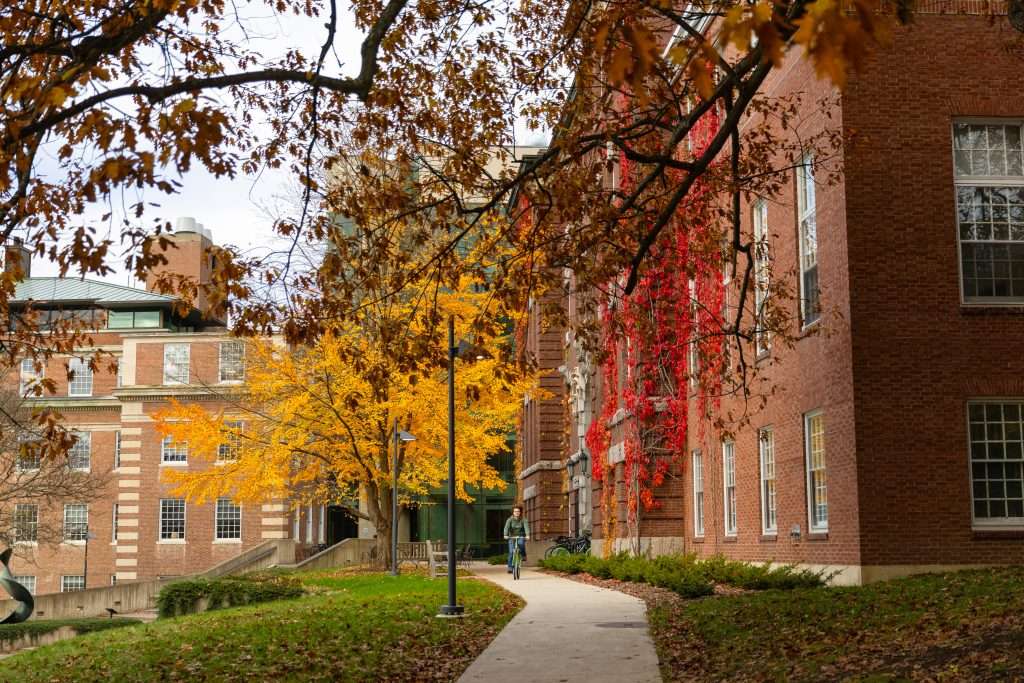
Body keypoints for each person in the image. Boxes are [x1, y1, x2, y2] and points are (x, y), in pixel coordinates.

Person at [503, 504, 530, 573]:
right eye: (515, 511)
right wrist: (505, 535)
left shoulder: (523, 520)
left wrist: (527, 535)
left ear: (520, 512)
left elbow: (526, 528)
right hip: (511, 537)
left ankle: (523, 555)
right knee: (511, 552)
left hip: (520, 536)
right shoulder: (509, 520)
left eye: (518, 511)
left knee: (521, 543)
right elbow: (506, 528)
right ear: (513, 512)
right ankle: (510, 567)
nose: (516, 512)